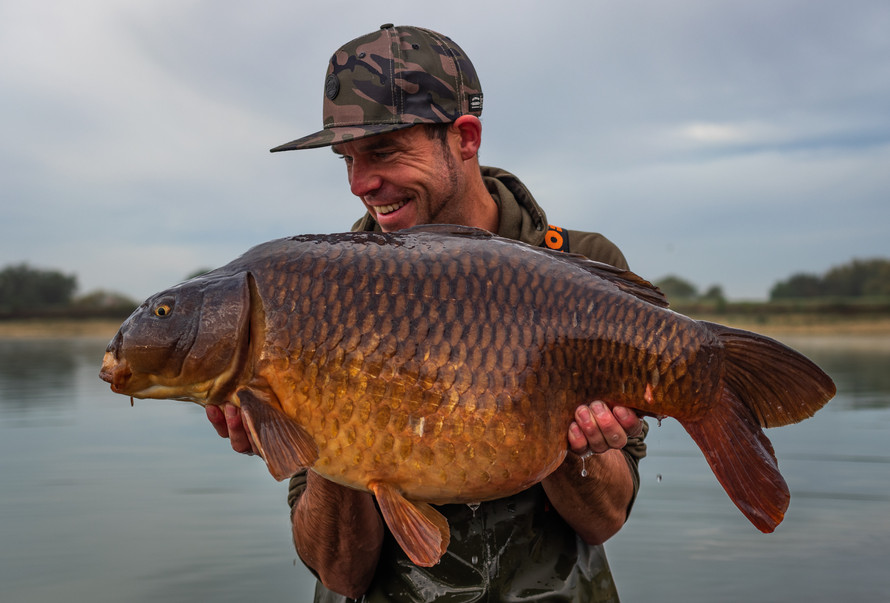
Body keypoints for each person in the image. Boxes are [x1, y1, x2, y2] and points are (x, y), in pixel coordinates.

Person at [206, 24, 648, 602]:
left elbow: (604, 521)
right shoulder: (317, 295)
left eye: (384, 151)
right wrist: (326, 433)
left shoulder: (582, 271)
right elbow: (341, 575)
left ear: (465, 138)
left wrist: (568, 438)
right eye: (346, 159)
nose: (360, 184)